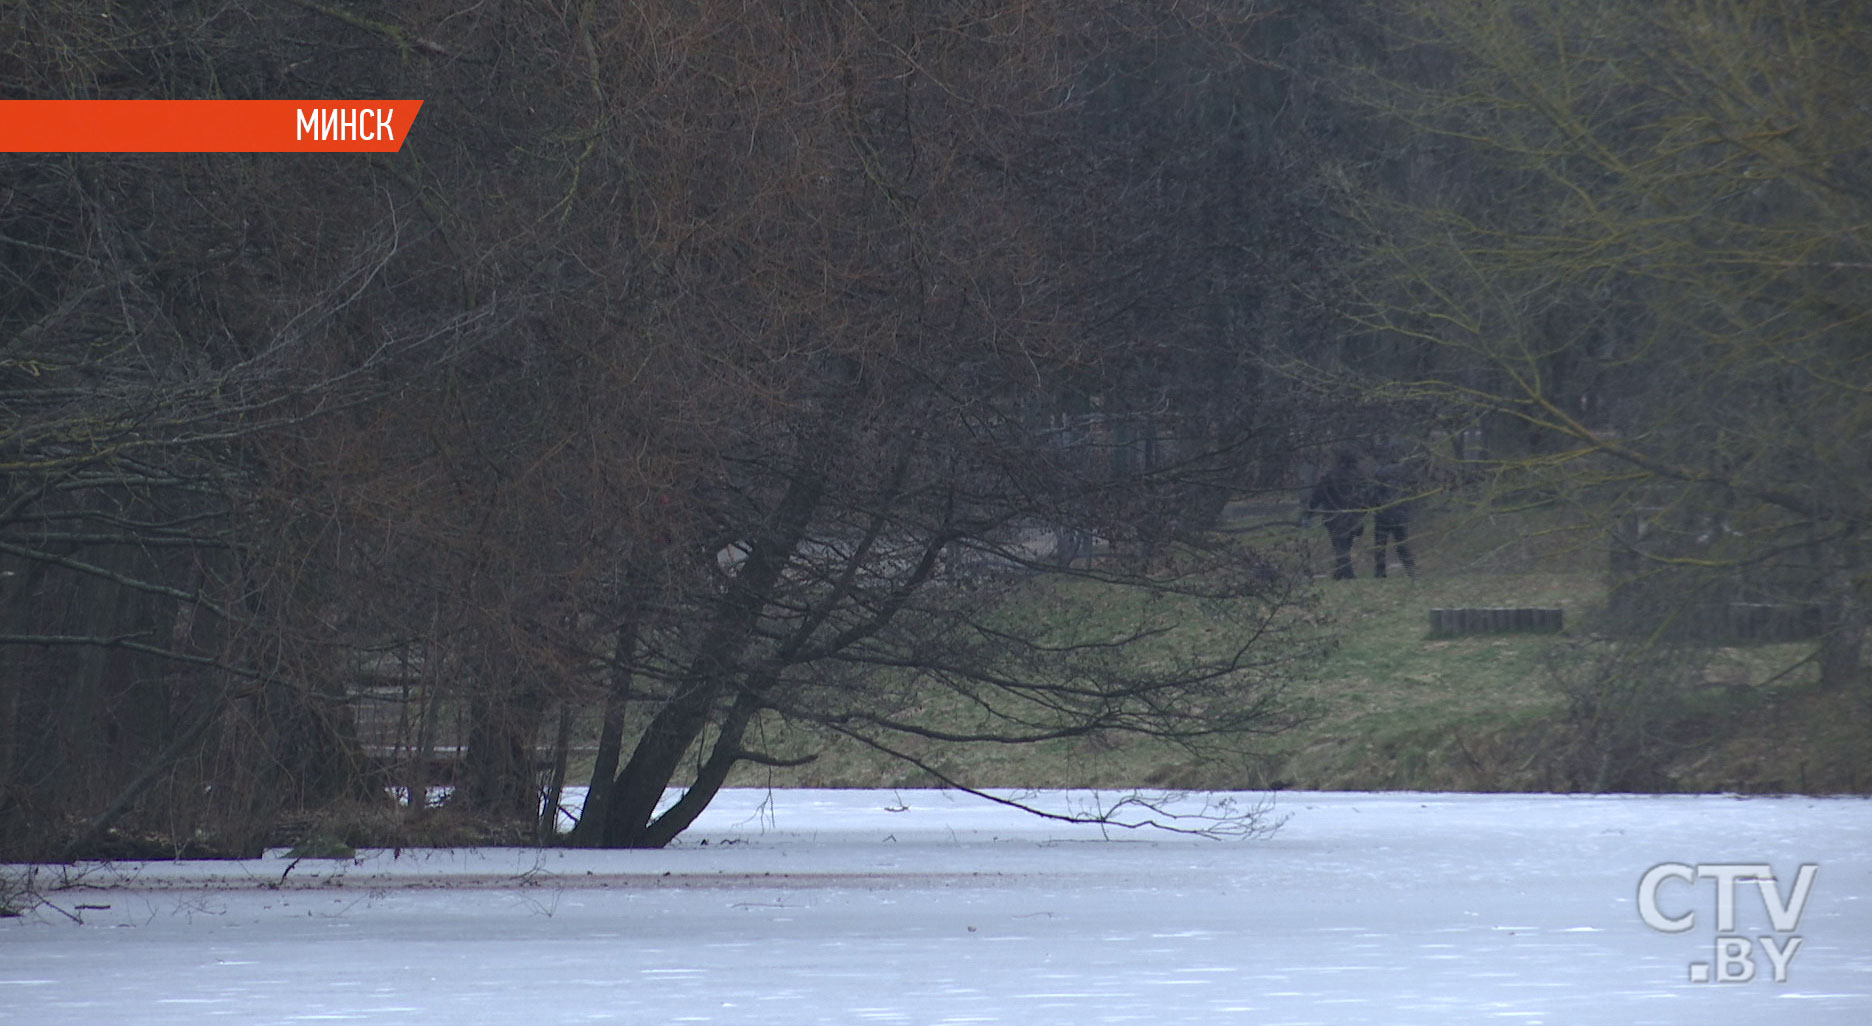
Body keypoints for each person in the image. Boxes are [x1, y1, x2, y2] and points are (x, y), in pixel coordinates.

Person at [1304, 448, 1367, 580]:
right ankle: (1340, 574)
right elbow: (1367, 497)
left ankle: (1348, 575)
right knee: (1345, 545)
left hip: (1334, 517)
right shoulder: (1359, 477)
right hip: (1354, 517)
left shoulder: (1330, 477)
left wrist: (1308, 514)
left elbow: (1317, 496)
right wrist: (1364, 513)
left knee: (1340, 545)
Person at [1368, 451, 1417, 579]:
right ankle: (1410, 569)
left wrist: (1373, 506)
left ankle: (1380, 572)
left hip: (1383, 513)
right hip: (1401, 514)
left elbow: (1373, 493)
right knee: (1402, 543)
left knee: (1380, 544)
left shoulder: (1379, 472)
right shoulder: (1405, 472)